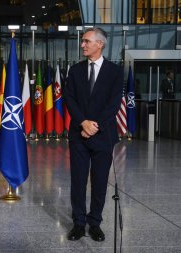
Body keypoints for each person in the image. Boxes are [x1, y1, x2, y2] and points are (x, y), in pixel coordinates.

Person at [64, 27, 123, 242]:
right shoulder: (75, 70)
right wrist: (83, 123)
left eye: (87, 41)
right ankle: (78, 224)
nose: (83, 45)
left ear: (100, 44)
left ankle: (95, 223)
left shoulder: (115, 72)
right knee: (78, 180)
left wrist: (94, 126)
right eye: (82, 41)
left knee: (99, 182)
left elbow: (113, 104)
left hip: (103, 135)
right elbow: (69, 99)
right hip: (78, 135)